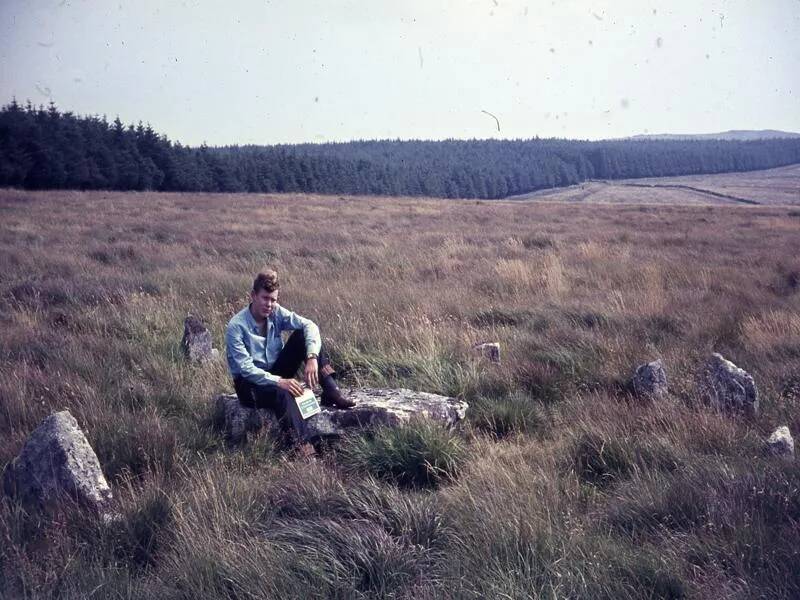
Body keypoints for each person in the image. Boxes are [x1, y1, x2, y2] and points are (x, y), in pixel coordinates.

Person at [225, 270, 354, 457]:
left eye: (273, 299)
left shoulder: (276, 313)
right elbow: (246, 369)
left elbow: (310, 325)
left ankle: (331, 391)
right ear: (253, 296)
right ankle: (301, 447)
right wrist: (279, 382)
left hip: (276, 372)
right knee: (283, 392)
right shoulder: (236, 326)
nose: (269, 304)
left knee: (304, 336)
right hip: (249, 385)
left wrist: (311, 357)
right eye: (265, 298)